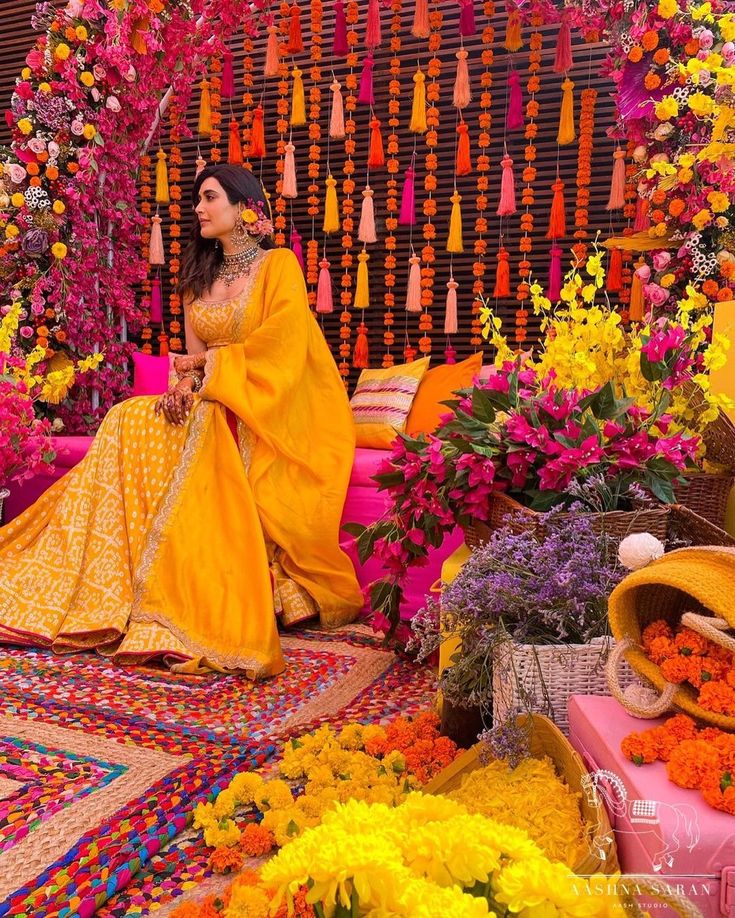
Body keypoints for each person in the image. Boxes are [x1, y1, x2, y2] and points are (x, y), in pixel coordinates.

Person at [0, 165, 364, 677]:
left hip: (258, 406)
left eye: (209, 198)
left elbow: (283, 347)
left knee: (202, 418)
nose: (198, 208)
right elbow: (189, 360)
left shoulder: (278, 266)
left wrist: (207, 374)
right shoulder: (198, 279)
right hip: (209, 397)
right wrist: (181, 389)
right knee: (128, 417)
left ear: (243, 208)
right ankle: (112, 577)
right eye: (197, 199)